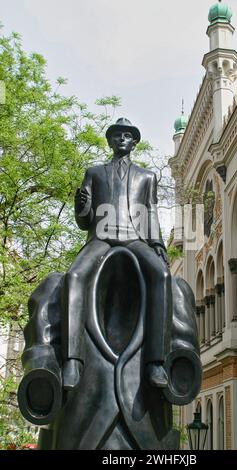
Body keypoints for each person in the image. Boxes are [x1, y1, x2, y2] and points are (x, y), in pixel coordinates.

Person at [62, 118, 172, 390]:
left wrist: (157, 244)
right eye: (117, 135)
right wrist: (81, 208)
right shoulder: (94, 173)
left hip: (135, 238)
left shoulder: (147, 177)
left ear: (134, 142)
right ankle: (72, 361)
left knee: (162, 275)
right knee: (74, 276)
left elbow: (151, 212)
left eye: (127, 135)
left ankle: (156, 363)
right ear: (110, 141)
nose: (122, 139)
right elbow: (84, 221)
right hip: (102, 238)